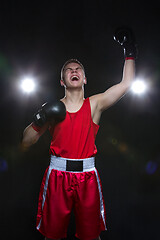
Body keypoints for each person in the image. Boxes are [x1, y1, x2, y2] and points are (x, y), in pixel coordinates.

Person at [21, 28, 136, 240]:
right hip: (57, 177)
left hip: (88, 177)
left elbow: (125, 85)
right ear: (63, 81)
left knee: (91, 237)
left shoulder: (95, 104)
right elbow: (27, 141)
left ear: (84, 79)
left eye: (78, 69)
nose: (74, 70)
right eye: (68, 69)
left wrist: (129, 51)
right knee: (52, 236)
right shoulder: (52, 109)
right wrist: (40, 118)